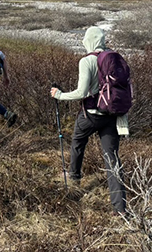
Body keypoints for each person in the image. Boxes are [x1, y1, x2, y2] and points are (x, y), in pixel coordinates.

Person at [50, 26, 127, 214]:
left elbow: (81, 92)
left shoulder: (87, 61)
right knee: (112, 159)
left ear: (88, 41)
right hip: (112, 116)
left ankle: (74, 178)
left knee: (77, 142)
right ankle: (120, 208)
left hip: (91, 115)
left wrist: (59, 95)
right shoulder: (115, 59)